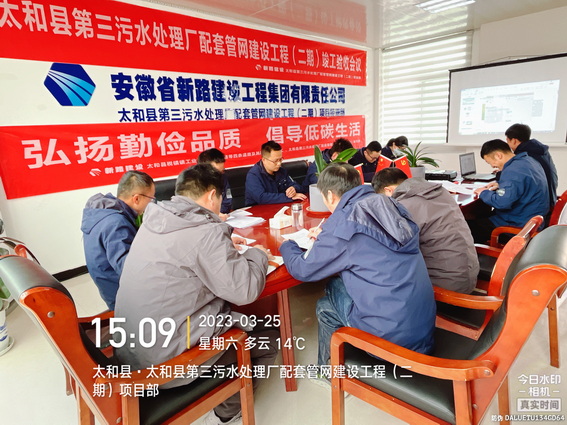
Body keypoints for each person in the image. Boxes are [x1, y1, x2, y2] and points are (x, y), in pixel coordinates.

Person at [115, 164, 278, 425]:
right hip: (164, 363)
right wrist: (257, 254)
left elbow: (184, 253)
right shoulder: (205, 232)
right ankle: (228, 413)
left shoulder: (156, 220)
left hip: (131, 349)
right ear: (212, 195)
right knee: (271, 338)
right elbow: (245, 291)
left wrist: (223, 245)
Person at [280, 163, 436, 372]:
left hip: (390, 340)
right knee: (335, 291)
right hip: (422, 327)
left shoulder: (343, 223)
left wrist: (287, 245)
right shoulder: (389, 204)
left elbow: (303, 270)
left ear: (330, 195)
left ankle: (326, 370)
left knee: (328, 298)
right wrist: (328, 237)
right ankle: (331, 364)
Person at [373, 168, 479, 294]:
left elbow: (393, 249)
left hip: (446, 284)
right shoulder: (440, 191)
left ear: (388, 190)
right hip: (468, 272)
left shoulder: (404, 206)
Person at [81, 170, 155, 310]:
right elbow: (130, 271)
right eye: (151, 199)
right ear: (136, 199)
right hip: (121, 296)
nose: (151, 203)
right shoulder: (116, 224)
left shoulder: (103, 211)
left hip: (109, 285)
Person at [468, 139, 550, 244]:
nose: (493, 166)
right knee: (480, 217)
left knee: (465, 227)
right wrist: (501, 185)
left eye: (490, 162)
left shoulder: (513, 170)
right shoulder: (529, 161)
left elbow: (502, 202)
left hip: (516, 227)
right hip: (531, 220)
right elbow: (524, 184)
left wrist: (483, 192)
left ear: (498, 155)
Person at [505, 123, 558, 214]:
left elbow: (517, 178)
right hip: (549, 198)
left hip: (538, 206)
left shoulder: (524, 154)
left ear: (514, 141)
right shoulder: (539, 150)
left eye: (508, 141)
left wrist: (501, 175)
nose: (508, 145)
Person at [245, 140, 307, 206]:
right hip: (258, 209)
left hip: (278, 207)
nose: (279, 164)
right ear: (264, 160)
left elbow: (299, 187)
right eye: (275, 161)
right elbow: (261, 197)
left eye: (280, 159)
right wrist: (287, 197)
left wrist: (294, 188)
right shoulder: (253, 175)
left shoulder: (282, 171)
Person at [197, 148, 232, 219]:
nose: (219, 175)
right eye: (216, 172)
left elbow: (227, 201)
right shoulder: (193, 183)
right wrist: (213, 216)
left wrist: (220, 214)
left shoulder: (223, 177)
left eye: (222, 171)